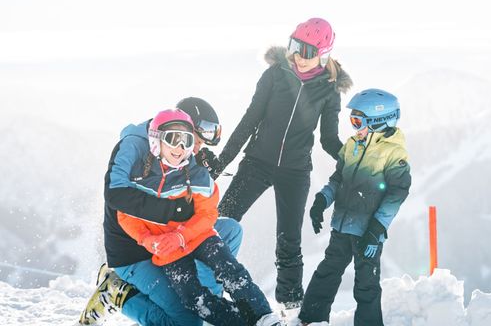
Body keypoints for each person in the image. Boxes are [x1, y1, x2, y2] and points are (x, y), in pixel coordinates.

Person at [200, 18, 352, 312]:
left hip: (295, 171)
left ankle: (291, 304)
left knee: (289, 240)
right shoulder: (274, 75)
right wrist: (220, 164)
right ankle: (207, 286)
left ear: (322, 54)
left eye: (307, 51)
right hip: (257, 161)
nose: (298, 56)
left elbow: (329, 139)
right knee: (220, 222)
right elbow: (249, 121)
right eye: (295, 46)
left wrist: (354, 159)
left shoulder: (328, 90)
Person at [78, 99, 248, 326]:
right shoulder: (134, 145)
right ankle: (120, 294)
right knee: (187, 323)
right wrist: (175, 211)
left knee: (230, 230)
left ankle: (208, 305)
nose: (196, 148)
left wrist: (204, 176)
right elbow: (115, 195)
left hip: (169, 238)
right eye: (196, 140)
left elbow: (190, 202)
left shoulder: (180, 152)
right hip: (134, 247)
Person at [111, 108, 282, 326]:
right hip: (168, 251)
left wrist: (182, 236)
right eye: (173, 139)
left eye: (187, 140)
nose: (180, 147)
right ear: (156, 140)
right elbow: (126, 216)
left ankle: (263, 316)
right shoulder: (139, 178)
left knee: (229, 271)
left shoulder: (196, 175)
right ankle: (238, 322)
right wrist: (147, 239)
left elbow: (208, 212)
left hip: (200, 238)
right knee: (193, 298)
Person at [297, 89, 412, 326]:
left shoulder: (394, 153)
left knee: (366, 284)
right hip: (342, 225)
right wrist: (322, 201)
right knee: (327, 272)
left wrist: (376, 229)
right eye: (352, 120)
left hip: (368, 233)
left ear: (379, 122)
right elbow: (338, 179)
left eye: (358, 121)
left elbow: (397, 193)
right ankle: (310, 320)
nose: (354, 127)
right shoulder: (352, 146)